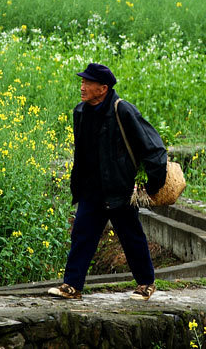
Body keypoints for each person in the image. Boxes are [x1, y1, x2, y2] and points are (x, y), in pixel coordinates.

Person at [48, 63, 167, 300]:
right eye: (81, 82)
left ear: (103, 88)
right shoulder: (80, 112)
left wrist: (153, 184)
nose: (82, 87)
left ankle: (146, 284)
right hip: (91, 188)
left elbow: (153, 147)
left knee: (130, 235)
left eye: (87, 83)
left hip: (119, 188)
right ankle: (72, 285)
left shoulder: (122, 110)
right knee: (82, 234)